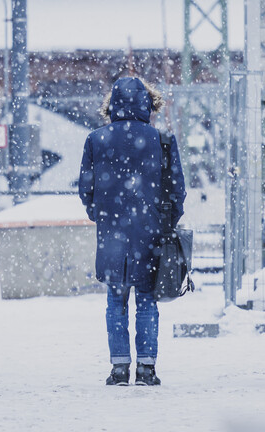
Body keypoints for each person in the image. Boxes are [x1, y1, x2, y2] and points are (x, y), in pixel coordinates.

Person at [78, 76, 186, 386]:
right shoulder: (162, 141)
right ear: (148, 105)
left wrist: (102, 216)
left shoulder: (95, 139)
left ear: (111, 106)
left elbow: (86, 189)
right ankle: (147, 369)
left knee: (115, 300)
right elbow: (176, 192)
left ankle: (119, 368)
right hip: (150, 234)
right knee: (147, 300)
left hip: (111, 235)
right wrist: (164, 222)